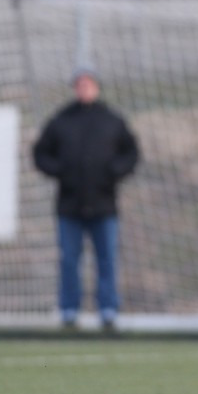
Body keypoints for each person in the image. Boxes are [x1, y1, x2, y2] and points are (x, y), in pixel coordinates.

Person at [33, 66, 139, 330]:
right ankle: (69, 309)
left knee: (107, 259)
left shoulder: (111, 119)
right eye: (80, 85)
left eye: (88, 84)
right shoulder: (61, 119)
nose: (84, 89)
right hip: (69, 204)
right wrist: (60, 171)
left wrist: (114, 172)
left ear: (97, 87)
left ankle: (108, 309)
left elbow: (131, 153)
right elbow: (40, 153)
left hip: (104, 204)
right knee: (69, 259)